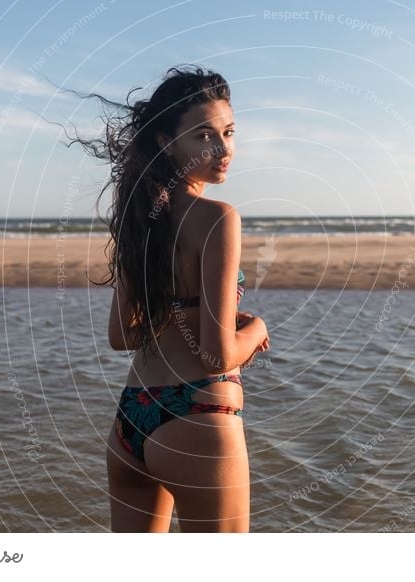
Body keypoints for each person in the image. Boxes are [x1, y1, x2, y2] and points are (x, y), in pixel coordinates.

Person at [68, 65, 269, 532]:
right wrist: (255, 329)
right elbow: (217, 355)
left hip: (133, 418)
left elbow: (123, 335)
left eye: (229, 131)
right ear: (165, 141)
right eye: (204, 135)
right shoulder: (218, 217)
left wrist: (190, 308)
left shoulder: (140, 219)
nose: (222, 149)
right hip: (198, 415)